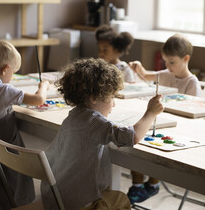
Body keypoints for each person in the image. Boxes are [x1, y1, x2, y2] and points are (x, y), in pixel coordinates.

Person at [40, 58, 164, 209]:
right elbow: (132, 137)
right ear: (93, 98)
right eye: (111, 97)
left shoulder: (73, 116)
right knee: (121, 199)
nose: (113, 103)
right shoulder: (93, 121)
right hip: (79, 203)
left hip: (56, 197)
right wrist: (150, 112)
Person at [0, 40, 50, 210]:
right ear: (5, 69)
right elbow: (39, 100)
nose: (11, 76)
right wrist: (44, 86)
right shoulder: (4, 91)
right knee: (8, 188)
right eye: (12, 72)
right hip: (4, 152)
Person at [127, 34, 201, 204]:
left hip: (177, 130)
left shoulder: (192, 82)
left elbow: (193, 113)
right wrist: (138, 68)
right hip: (160, 124)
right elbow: (146, 75)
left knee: (151, 147)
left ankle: (153, 183)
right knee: (135, 139)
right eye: (165, 61)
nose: (167, 66)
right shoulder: (167, 74)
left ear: (186, 59)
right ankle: (137, 185)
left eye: (172, 62)